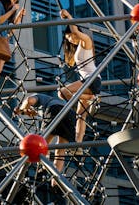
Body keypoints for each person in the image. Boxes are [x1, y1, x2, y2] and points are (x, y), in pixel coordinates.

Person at [57, 9, 101, 144]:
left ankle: (92, 98)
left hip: (91, 80)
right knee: (80, 116)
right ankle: (78, 144)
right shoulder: (79, 48)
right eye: (68, 39)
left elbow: (76, 32)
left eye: (69, 36)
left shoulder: (86, 41)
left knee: (62, 93)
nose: (70, 39)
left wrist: (69, 16)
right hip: (91, 82)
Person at [16, 93, 75, 173]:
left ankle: (44, 165)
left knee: (43, 144)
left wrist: (22, 109)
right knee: (61, 150)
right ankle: (56, 180)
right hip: (70, 114)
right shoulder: (50, 100)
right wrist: (27, 111)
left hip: (55, 109)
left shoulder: (39, 96)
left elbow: (29, 100)